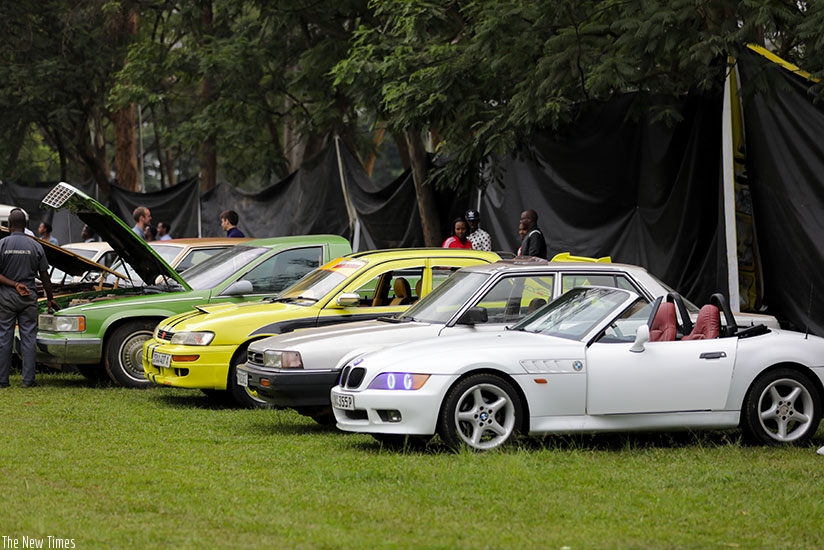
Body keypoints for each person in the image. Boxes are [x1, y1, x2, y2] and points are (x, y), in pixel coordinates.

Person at [0, 210, 59, 388]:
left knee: (4, 339)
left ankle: (2, 381)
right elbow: (45, 276)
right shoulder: (36, 246)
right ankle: (28, 380)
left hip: (6, 298)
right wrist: (50, 298)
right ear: (26, 226)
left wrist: (13, 284)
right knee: (28, 338)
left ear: (9, 226)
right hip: (28, 298)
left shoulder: (2, 244)